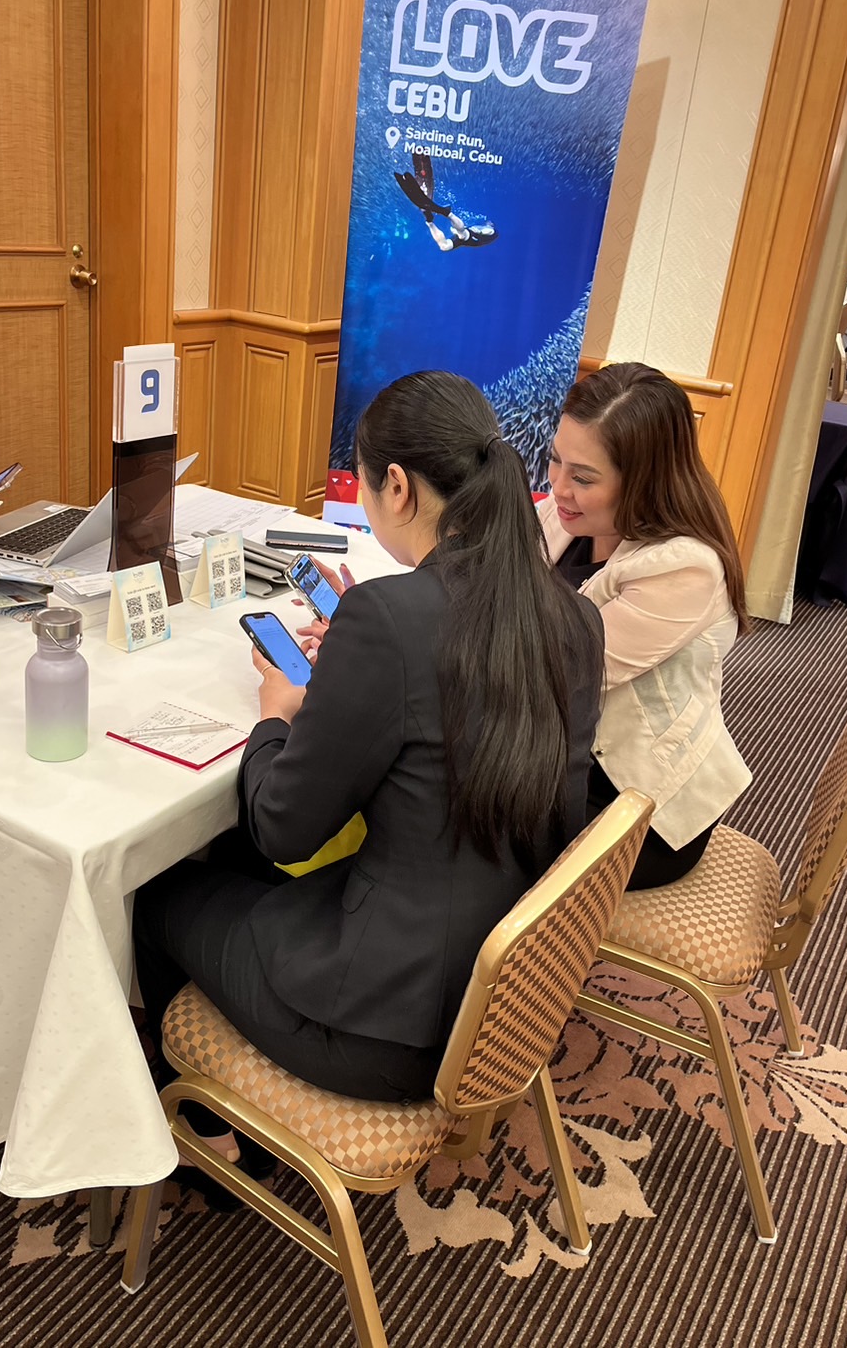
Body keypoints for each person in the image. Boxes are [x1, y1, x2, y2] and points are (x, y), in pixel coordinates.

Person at [132, 371, 605, 1195]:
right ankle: (238, 1126)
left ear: (396, 486)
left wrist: (278, 713)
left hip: (386, 1028)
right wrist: (354, 680)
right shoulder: (574, 616)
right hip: (502, 1006)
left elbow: (282, 828)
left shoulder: (389, 619)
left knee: (156, 892)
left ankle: (215, 1148)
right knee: (249, 878)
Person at [540, 362, 752, 890]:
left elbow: (556, 672)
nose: (558, 487)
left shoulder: (684, 567)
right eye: (555, 460)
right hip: (556, 754)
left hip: (632, 803)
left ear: (643, 481)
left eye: (583, 477)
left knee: (434, 816)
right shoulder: (566, 517)